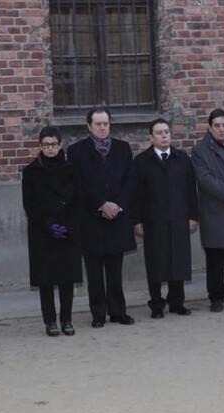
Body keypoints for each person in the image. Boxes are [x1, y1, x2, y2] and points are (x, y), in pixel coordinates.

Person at [67, 107, 136, 328]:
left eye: (106, 123)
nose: (102, 128)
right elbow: (78, 184)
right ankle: (98, 313)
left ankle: (118, 311)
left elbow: (129, 181)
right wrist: (101, 204)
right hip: (91, 218)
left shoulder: (123, 149)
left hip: (117, 216)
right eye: (98, 124)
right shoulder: (76, 152)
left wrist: (116, 205)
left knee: (116, 269)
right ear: (88, 126)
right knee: (94, 271)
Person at [132, 119, 199, 318]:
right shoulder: (142, 162)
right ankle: (156, 304)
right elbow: (135, 195)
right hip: (154, 221)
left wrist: (193, 216)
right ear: (151, 137)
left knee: (178, 260)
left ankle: (177, 302)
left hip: (179, 218)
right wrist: (136, 220)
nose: (164, 136)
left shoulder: (182, 159)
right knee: (155, 262)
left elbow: (191, 191)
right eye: (159, 133)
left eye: (167, 132)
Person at [22, 126, 83, 337]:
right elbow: (29, 205)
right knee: (46, 280)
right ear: (40, 146)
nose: (50, 148)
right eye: (46, 145)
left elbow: (78, 201)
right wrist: (48, 225)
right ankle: (50, 321)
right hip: (43, 233)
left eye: (54, 144)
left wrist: (69, 225)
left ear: (60, 145)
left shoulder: (72, 169)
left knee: (67, 279)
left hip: (68, 230)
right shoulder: (31, 172)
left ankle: (67, 319)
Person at [191, 108, 224, 312]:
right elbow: (205, 179)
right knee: (216, 258)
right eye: (217, 126)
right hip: (216, 210)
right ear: (210, 128)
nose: (221, 129)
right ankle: (216, 297)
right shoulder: (200, 151)